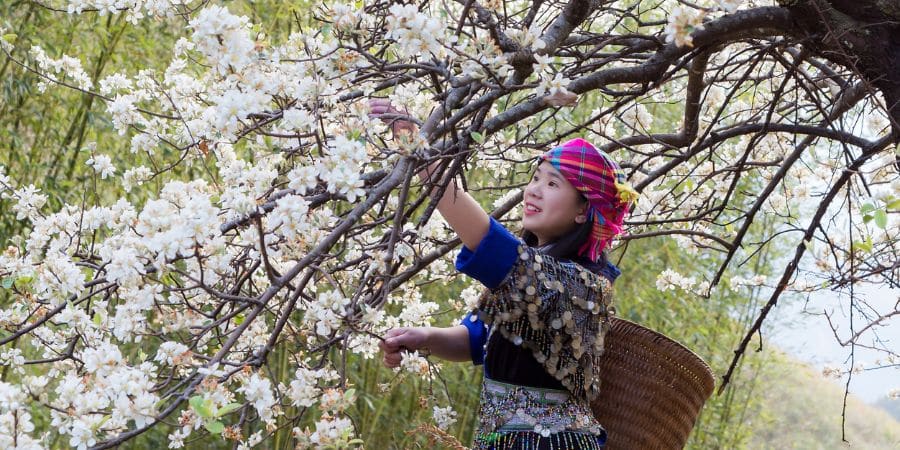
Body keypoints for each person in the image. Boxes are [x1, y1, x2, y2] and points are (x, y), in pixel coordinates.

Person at [370, 99, 636, 450]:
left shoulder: (581, 285)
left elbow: (490, 242)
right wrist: (425, 338)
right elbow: (477, 338)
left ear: (583, 209)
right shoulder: (528, 274)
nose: (534, 190)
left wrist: (418, 147)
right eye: (535, 178)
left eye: (553, 184)